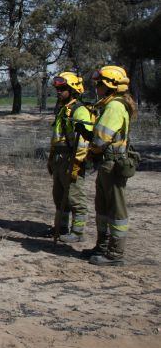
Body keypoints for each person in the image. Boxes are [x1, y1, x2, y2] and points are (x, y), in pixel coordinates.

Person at [79, 65, 136, 266]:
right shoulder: (110, 104)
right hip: (106, 165)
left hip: (112, 165)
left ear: (110, 86)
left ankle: (115, 253)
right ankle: (101, 246)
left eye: (100, 84)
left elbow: (102, 139)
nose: (97, 88)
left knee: (116, 211)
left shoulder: (114, 107)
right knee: (102, 207)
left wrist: (90, 152)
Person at [47, 72, 92, 243]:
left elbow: (83, 142)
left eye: (62, 88)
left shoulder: (79, 110)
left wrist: (77, 163)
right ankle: (61, 228)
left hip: (71, 159)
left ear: (72, 90)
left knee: (75, 196)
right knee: (59, 196)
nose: (58, 91)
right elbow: (56, 138)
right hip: (59, 159)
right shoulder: (62, 110)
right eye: (57, 88)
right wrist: (51, 159)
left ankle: (77, 232)